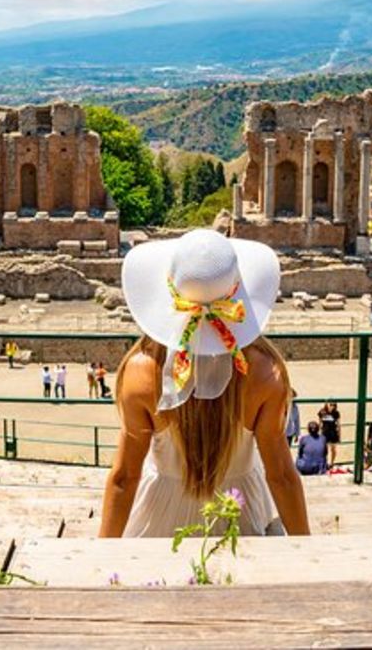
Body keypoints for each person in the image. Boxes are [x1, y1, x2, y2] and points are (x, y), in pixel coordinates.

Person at [100, 229, 309, 537]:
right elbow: (280, 476)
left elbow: (125, 477)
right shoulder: (266, 373)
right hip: (237, 510)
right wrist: (305, 547)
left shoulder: (140, 371)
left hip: (160, 517)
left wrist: (103, 550)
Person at [318, 400, 342, 468]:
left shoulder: (336, 413)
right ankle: (324, 463)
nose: (332, 406)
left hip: (333, 433)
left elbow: (339, 425)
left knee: (333, 449)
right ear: (327, 404)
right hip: (324, 433)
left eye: (334, 405)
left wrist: (339, 435)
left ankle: (332, 463)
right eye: (330, 404)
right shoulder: (322, 412)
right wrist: (318, 434)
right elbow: (319, 423)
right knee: (324, 449)